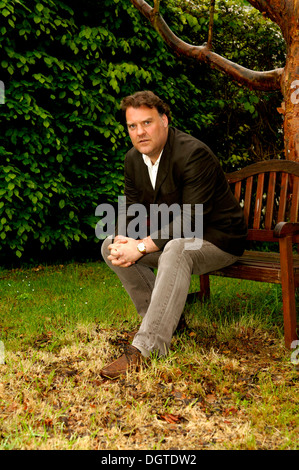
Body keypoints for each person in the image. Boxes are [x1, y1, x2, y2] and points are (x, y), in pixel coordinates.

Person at [100, 90, 247, 378]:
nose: (140, 132)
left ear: (164, 120)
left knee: (177, 248)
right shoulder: (134, 159)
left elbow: (192, 221)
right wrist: (121, 239)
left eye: (147, 123)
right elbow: (132, 207)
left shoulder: (193, 154)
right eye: (132, 126)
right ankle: (162, 322)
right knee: (109, 244)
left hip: (219, 238)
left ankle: (148, 346)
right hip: (176, 238)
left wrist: (141, 247)